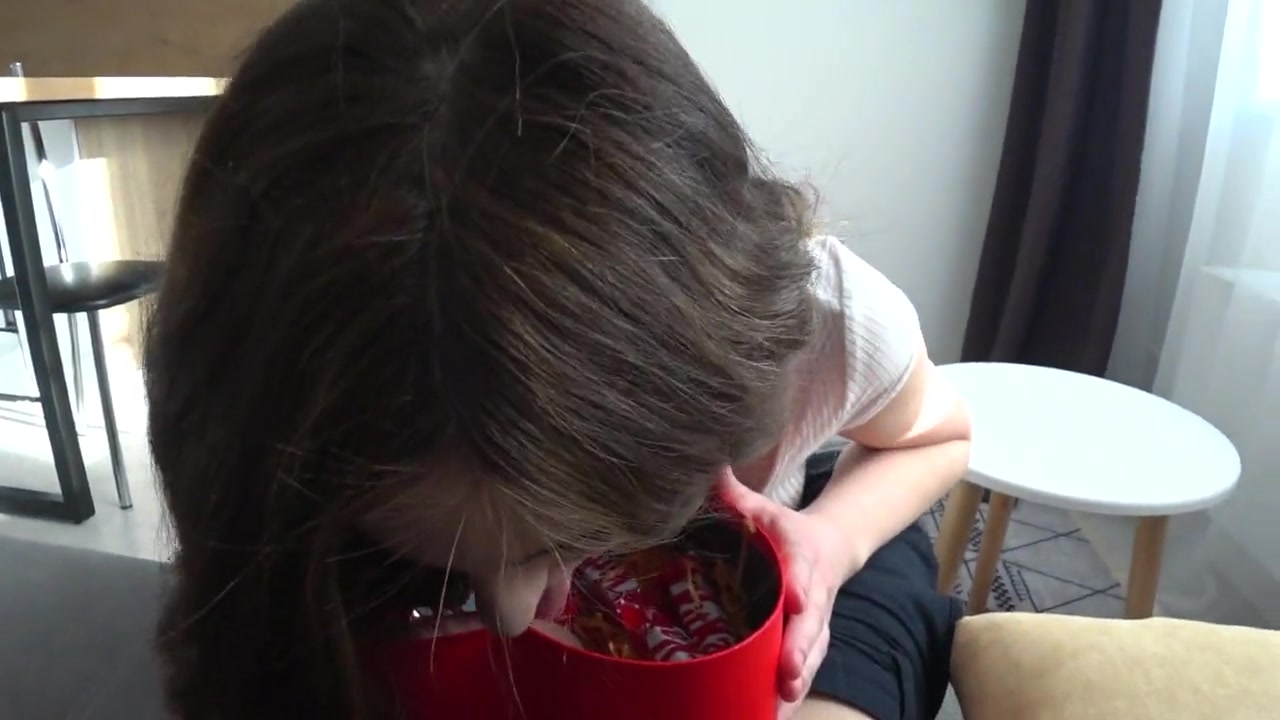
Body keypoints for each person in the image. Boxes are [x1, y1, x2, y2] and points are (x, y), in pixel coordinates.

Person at [144, 0, 972, 718]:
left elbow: (940, 438)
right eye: (451, 565)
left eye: (556, 543)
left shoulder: (833, 322)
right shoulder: (283, 459)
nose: (512, 613)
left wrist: (832, 543)